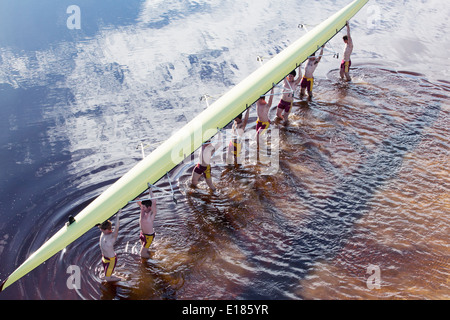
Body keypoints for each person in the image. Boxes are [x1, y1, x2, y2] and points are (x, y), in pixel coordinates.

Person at [98, 210, 121, 282]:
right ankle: (110, 275)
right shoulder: (103, 232)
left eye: (102, 229)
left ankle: (120, 280)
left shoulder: (112, 236)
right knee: (107, 274)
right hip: (104, 258)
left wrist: (117, 215)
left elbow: (117, 227)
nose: (101, 230)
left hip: (111, 260)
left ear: (107, 229)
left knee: (107, 279)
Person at [137, 192, 157, 259]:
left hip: (149, 237)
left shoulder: (151, 214)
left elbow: (154, 201)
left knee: (142, 254)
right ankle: (151, 254)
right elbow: (138, 201)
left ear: (149, 207)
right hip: (142, 234)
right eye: (142, 207)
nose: (142, 208)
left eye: (144, 207)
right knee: (145, 249)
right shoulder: (143, 210)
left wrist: (150, 190)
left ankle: (154, 259)